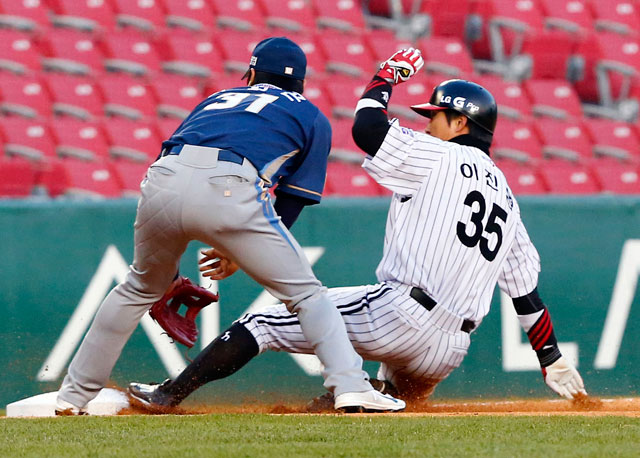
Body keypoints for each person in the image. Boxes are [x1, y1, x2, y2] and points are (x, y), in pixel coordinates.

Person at [128, 48, 587, 411]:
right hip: (450, 349)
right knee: (392, 397)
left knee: (261, 323)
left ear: (462, 122)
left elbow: (367, 129)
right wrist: (551, 359)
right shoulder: (506, 195)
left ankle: (169, 393)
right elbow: (526, 296)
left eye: (435, 117)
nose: (427, 126)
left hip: (400, 315)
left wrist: (383, 78)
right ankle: (349, 397)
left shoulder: (439, 156)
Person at [55, 37, 404, 415]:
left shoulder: (217, 99)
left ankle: (72, 397)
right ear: (301, 83)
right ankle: (351, 387)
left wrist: (169, 273)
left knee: (138, 286)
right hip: (230, 188)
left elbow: (172, 165)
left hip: (163, 178)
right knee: (307, 296)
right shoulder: (311, 115)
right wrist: (240, 247)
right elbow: (294, 196)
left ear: (251, 74)